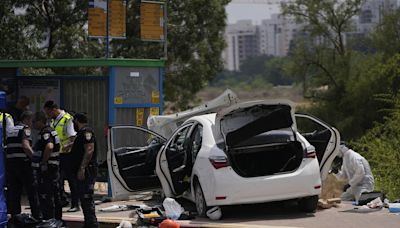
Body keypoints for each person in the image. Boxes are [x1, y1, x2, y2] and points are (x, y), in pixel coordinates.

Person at [43, 100, 79, 212]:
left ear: (53, 110)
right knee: (58, 180)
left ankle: (75, 204)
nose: (47, 115)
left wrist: (65, 147)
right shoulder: (53, 121)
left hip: (67, 154)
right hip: (57, 154)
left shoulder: (67, 119)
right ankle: (62, 201)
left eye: (48, 113)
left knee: (71, 180)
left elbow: (73, 138)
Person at [5, 111, 41, 219]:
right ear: (27, 119)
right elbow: (26, 146)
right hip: (24, 164)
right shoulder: (25, 129)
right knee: (32, 191)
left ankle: (16, 218)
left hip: (11, 165)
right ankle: (36, 217)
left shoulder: (10, 130)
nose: (32, 123)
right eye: (32, 121)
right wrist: (34, 158)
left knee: (15, 192)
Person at [32, 111, 62, 221]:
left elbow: (49, 147)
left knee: (47, 194)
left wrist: (43, 162)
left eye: (34, 122)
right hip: (53, 168)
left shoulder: (46, 132)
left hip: (48, 169)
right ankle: (57, 219)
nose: (33, 124)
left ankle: (49, 219)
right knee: (55, 193)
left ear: (40, 121)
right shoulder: (51, 131)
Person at [70, 112, 98, 227]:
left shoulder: (87, 132)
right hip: (83, 170)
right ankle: (88, 224)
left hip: (87, 171)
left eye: (73, 122)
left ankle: (92, 224)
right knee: (84, 199)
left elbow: (89, 150)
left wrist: (82, 168)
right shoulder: (81, 134)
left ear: (76, 121)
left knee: (87, 198)